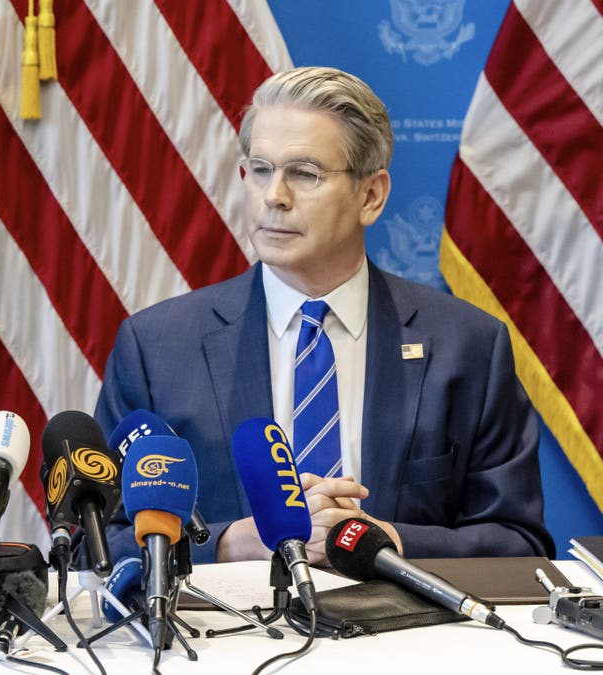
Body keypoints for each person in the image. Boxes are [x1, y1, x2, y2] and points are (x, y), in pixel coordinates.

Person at [96, 66, 553, 565]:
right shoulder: (157, 348)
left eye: (305, 174)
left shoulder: (468, 347)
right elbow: (98, 544)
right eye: (261, 170)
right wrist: (228, 544)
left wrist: (390, 542)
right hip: (223, 639)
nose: (275, 196)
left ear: (371, 196)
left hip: (408, 637)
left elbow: (518, 543)